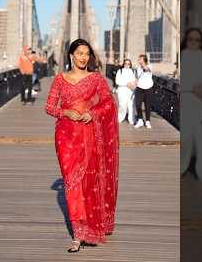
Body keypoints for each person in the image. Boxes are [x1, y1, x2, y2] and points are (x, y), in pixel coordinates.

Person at [44, 38, 119, 252]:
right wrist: (65, 112)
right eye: (80, 53)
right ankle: (78, 232)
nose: (84, 57)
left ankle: (85, 231)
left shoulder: (96, 79)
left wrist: (91, 113)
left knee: (88, 182)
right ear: (71, 56)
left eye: (87, 54)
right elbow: (49, 107)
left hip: (89, 134)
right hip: (66, 136)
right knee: (71, 183)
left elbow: (108, 104)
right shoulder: (60, 79)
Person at [180, 28, 202, 182]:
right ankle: (182, 167)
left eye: (197, 40)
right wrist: (196, 89)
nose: (194, 42)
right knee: (186, 138)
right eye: (191, 39)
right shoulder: (182, 56)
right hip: (188, 100)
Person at [134, 54, 154, 129]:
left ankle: (148, 121)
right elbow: (137, 77)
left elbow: (147, 69)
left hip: (148, 88)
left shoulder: (150, 66)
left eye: (140, 59)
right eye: (139, 59)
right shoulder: (138, 68)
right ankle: (140, 120)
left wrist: (143, 65)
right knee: (138, 104)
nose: (139, 60)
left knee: (147, 105)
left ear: (144, 60)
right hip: (139, 88)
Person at [115, 59, 136, 124]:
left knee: (131, 105)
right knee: (122, 105)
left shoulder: (133, 71)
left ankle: (131, 119)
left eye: (128, 64)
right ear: (123, 64)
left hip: (131, 90)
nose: (127, 65)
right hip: (122, 90)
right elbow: (117, 81)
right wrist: (127, 84)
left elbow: (135, 80)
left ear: (130, 65)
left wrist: (132, 85)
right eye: (125, 63)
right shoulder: (120, 71)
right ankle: (120, 117)